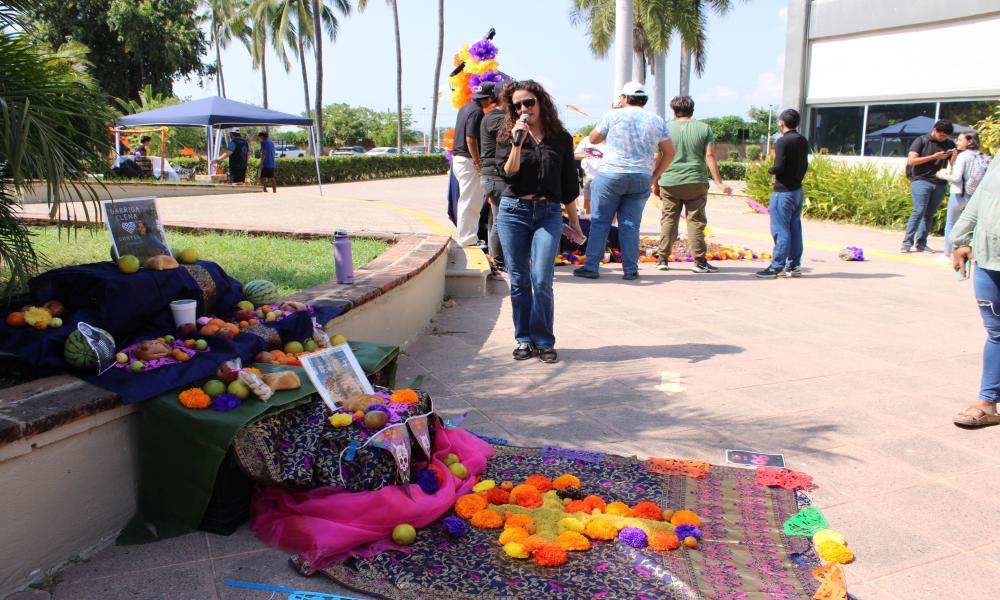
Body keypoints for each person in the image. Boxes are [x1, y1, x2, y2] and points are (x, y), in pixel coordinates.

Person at [494, 80, 583, 364]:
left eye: (528, 102)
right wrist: (517, 143)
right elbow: (508, 173)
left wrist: (576, 224)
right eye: (517, 105)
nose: (523, 108)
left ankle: (544, 340)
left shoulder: (561, 138)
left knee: (542, 279)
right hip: (514, 212)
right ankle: (523, 338)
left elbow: (569, 186)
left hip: (548, 212)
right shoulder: (507, 136)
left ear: (541, 102)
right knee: (520, 280)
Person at [573, 82, 674, 281]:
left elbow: (593, 139)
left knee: (600, 222)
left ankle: (591, 267)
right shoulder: (657, 120)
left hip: (611, 174)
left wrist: (612, 112)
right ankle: (630, 269)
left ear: (625, 98)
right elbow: (669, 152)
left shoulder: (613, 115)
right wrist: (654, 176)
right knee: (630, 225)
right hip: (641, 177)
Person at [654, 96, 733, 273]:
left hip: (669, 181)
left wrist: (654, 181)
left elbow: (657, 156)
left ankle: (662, 259)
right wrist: (719, 182)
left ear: (674, 110)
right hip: (696, 180)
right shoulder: (704, 128)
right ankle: (699, 262)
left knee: (669, 219)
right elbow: (709, 155)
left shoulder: (664, 128)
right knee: (696, 221)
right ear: (692, 110)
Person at [950, 158, 1000, 427]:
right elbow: (980, 199)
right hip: (989, 259)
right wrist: (960, 239)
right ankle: (987, 402)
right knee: (997, 332)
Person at [756, 109, 810, 279]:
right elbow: (805, 165)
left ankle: (777, 266)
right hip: (797, 191)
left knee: (781, 230)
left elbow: (778, 167)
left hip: (783, 192)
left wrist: (771, 171)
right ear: (798, 123)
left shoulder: (782, 141)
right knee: (795, 229)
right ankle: (794, 265)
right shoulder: (803, 140)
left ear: (781, 122)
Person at [902, 120, 956, 253]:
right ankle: (907, 243)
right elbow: (912, 161)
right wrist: (934, 157)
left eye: (946, 136)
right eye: (941, 135)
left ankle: (921, 243)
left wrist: (954, 156)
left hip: (939, 182)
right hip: (921, 180)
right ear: (934, 130)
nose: (943, 138)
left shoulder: (949, 144)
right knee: (919, 210)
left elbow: (953, 164)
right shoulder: (921, 140)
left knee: (929, 214)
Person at [937, 131, 991, 256]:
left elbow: (956, 178)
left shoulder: (963, 156)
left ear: (970, 141)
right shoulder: (982, 156)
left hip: (958, 195)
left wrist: (941, 175)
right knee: (972, 227)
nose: (957, 142)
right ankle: (972, 255)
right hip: (974, 197)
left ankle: (947, 254)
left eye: (960, 140)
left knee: (951, 224)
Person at [452, 84, 493, 247]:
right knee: (471, 201)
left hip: (460, 159)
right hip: (468, 161)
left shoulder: (465, 108)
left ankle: (467, 237)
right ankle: (467, 239)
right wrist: (477, 161)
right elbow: (470, 138)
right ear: (488, 98)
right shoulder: (477, 112)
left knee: (468, 200)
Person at [478, 82, 507, 272]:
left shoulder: (495, 116)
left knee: (499, 220)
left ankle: (500, 262)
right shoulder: (496, 118)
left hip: (495, 177)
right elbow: (513, 136)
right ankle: (499, 263)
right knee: (501, 221)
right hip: (496, 177)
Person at [574, 135, 604, 216]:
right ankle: (585, 220)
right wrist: (584, 155)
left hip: (607, 178)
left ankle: (612, 224)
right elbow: (575, 155)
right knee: (586, 201)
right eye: (576, 142)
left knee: (608, 204)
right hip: (590, 178)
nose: (576, 144)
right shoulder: (586, 140)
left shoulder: (612, 139)